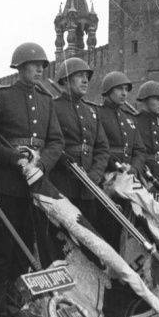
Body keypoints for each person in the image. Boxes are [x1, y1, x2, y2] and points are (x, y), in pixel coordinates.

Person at [0, 42, 64, 317]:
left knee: (23, 252)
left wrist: (41, 164)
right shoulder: (3, 96)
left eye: (42, 66)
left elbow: (55, 141)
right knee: (1, 252)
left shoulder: (46, 101)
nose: (39, 70)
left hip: (34, 185)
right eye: (34, 65)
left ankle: (13, 313)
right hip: (7, 185)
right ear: (19, 67)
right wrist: (13, 157)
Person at [49, 57, 109, 229]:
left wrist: (95, 174)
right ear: (65, 80)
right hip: (63, 184)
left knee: (91, 236)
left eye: (86, 76)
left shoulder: (91, 111)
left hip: (89, 188)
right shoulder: (53, 106)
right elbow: (51, 143)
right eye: (79, 76)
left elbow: (102, 149)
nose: (85, 80)